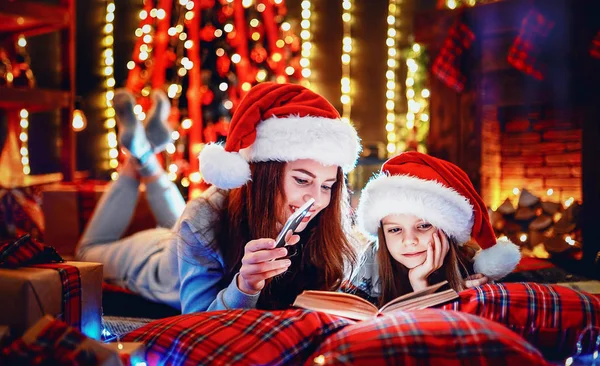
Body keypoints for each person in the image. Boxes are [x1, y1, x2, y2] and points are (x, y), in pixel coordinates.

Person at [175, 82, 361, 313]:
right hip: (156, 263)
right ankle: (143, 160)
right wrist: (245, 286)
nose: (316, 200)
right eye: (302, 180)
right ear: (265, 175)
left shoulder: (325, 221)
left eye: (327, 186)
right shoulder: (203, 218)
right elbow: (195, 326)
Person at [350, 151, 521, 307]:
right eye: (395, 230)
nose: (409, 240)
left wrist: (420, 284)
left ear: (446, 229)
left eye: (423, 226)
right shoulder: (369, 265)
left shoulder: (470, 272)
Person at [76, 88, 187, 309]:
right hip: (162, 257)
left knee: (85, 254)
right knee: (87, 252)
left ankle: (144, 153)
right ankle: (143, 151)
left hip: (168, 248)